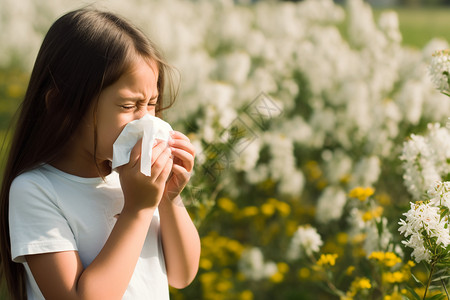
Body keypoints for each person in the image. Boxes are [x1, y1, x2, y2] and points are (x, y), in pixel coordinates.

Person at [0, 8, 201, 300]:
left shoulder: (134, 177)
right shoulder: (35, 190)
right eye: (128, 106)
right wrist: (137, 210)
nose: (147, 121)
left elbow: (182, 274)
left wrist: (169, 197)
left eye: (152, 104)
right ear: (62, 106)